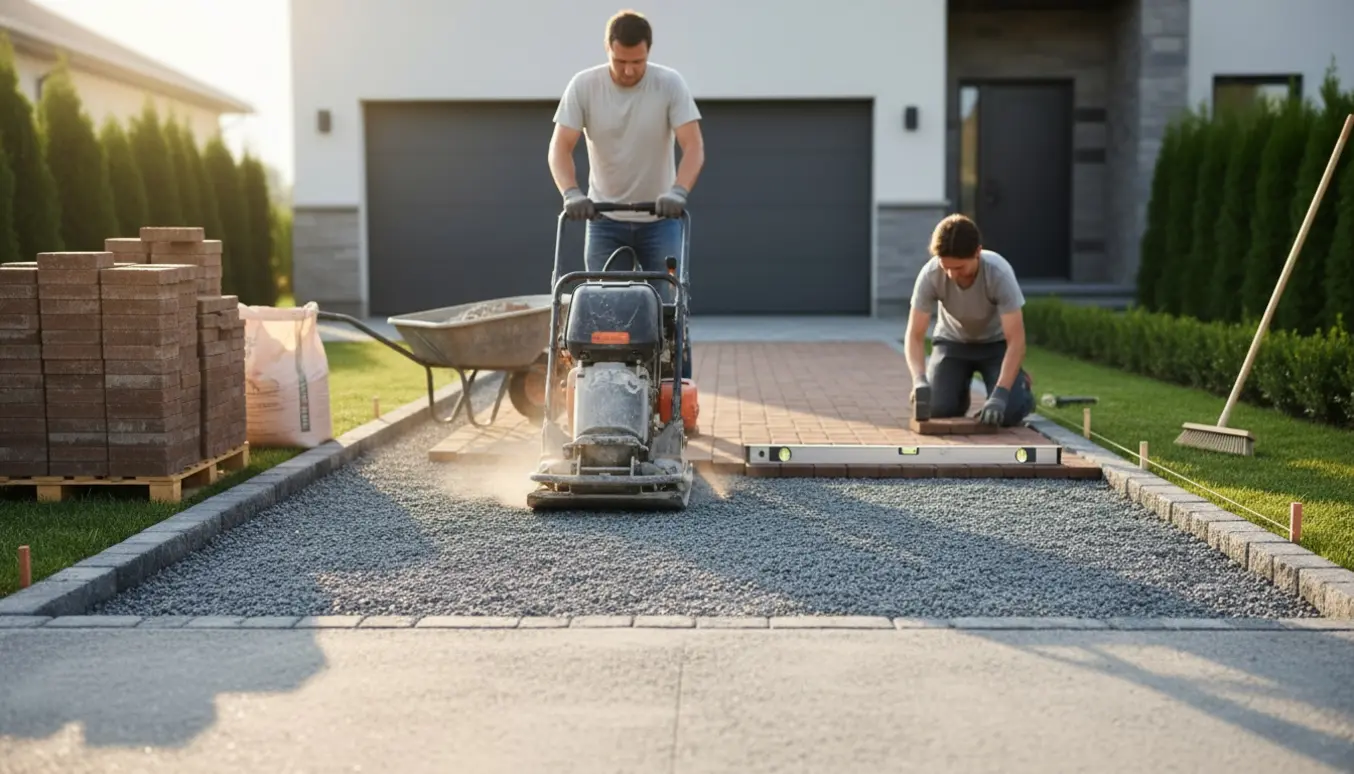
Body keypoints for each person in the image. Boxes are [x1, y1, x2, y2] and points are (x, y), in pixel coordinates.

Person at [547, 9, 705, 380]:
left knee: (669, 309)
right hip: (603, 220)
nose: (630, 70)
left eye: (638, 62)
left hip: (660, 221)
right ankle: (603, 389)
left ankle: (673, 394)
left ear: (648, 52)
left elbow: (694, 147)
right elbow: (559, 148)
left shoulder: (670, 84)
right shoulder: (584, 86)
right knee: (602, 311)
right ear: (607, 50)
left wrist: (679, 191)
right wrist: (571, 193)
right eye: (620, 61)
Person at [903, 214, 1035, 426]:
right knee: (936, 407)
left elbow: (1017, 341)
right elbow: (915, 335)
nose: (952, 275)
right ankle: (956, 390)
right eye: (946, 267)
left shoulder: (999, 273)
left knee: (1006, 413)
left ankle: (1022, 389)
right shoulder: (930, 274)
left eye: (959, 268)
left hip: (995, 346)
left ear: (977, 253)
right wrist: (919, 380)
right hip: (952, 344)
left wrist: (1000, 395)